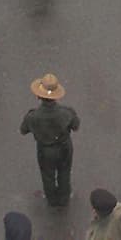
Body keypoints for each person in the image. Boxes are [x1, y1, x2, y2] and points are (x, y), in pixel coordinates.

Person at [21, 73, 80, 206]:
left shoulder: (32, 116)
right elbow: (76, 126)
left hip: (45, 150)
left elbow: (23, 130)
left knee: (47, 175)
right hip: (64, 146)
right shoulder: (67, 112)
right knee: (64, 172)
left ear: (38, 95)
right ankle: (64, 197)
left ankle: (51, 199)